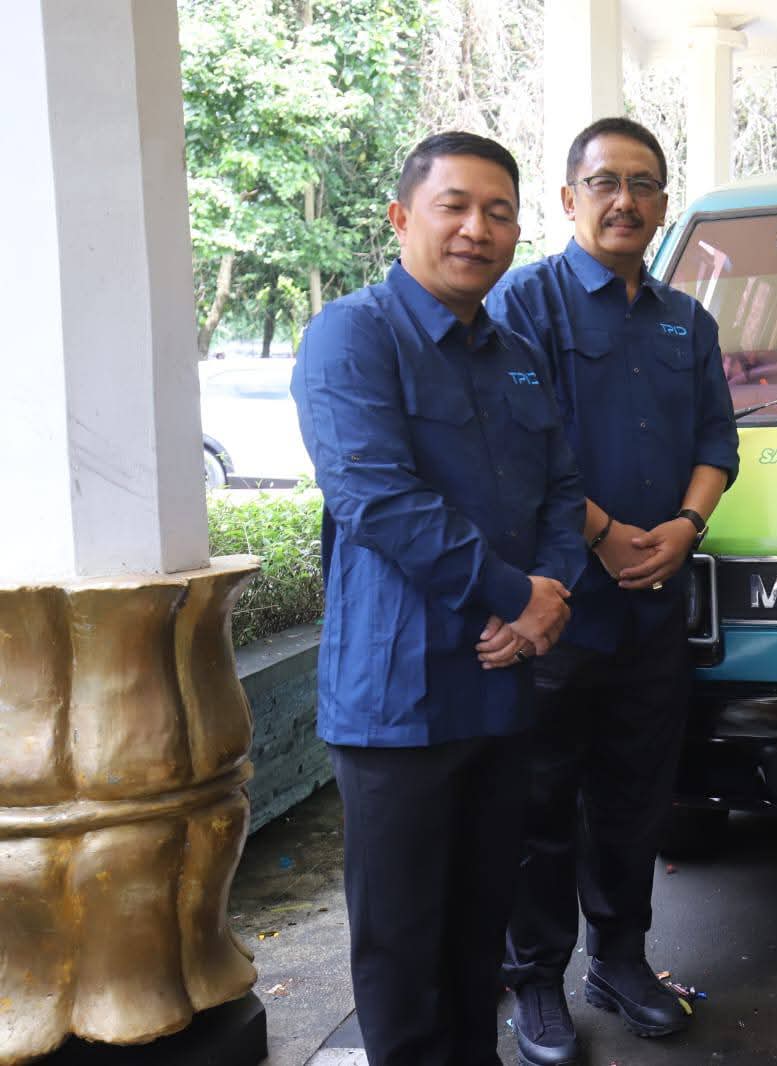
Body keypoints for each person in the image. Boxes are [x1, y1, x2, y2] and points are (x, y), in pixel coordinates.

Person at [290, 131, 587, 1066]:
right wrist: (515, 597)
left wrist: (548, 600)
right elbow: (376, 496)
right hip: (397, 697)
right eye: (454, 205)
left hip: (500, 690)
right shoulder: (353, 334)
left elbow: (563, 494)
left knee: (478, 923)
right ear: (402, 217)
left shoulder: (519, 354)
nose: (477, 229)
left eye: (498, 212)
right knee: (402, 938)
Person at [485, 117, 740, 1066]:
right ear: (569, 198)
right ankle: (538, 981)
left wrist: (685, 526)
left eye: (642, 184)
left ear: (663, 205)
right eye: (603, 183)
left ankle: (622, 962)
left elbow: (719, 442)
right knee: (543, 802)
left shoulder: (688, 320)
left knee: (638, 798)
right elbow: (520, 446)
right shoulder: (527, 303)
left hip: (653, 608)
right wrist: (602, 531)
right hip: (560, 609)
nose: (623, 200)